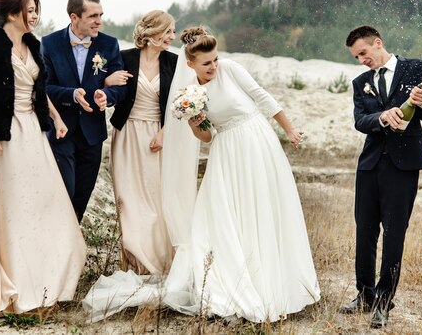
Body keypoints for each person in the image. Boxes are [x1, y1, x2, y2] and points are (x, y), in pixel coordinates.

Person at [83, 26, 320, 323]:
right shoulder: (189, 94)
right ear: (190, 64)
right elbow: (205, 138)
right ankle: (228, 282)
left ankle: (275, 280)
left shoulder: (231, 69)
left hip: (257, 141)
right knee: (222, 214)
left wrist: (289, 129)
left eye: (215, 60)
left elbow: (263, 98)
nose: (213, 67)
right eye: (206, 63)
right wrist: (196, 122)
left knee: (262, 205)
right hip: (226, 150)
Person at [0, 0, 86, 315]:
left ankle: (46, 280)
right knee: (13, 208)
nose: (35, 16)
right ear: (13, 13)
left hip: (33, 131)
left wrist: (56, 119)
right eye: (30, 10)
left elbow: (37, 89)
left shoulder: (33, 44)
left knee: (44, 204)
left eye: (36, 10)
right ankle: (14, 282)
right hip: (2, 137)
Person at [339, 25, 422, 328]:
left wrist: (420, 103)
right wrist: (381, 117)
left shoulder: (416, 68)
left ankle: (383, 302)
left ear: (377, 43)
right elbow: (359, 121)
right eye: (356, 57)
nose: (361, 61)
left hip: (403, 165)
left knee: (394, 233)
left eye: (363, 54)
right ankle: (364, 295)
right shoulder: (360, 82)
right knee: (365, 231)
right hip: (369, 165)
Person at [104, 10, 177, 275]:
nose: (172, 36)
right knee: (129, 200)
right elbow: (108, 90)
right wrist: (106, 81)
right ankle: (135, 264)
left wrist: (165, 132)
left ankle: (158, 263)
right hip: (126, 134)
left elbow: (180, 105)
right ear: (153, 33)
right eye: (168, 31)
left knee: (156, 200)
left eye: (172, 31)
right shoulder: (123, 58)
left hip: (157, 136)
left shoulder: (174, 63)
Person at [41, 0, 125, 222]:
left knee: (81, 197)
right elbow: (43, 87)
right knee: (64, 192)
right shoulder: (50, 44)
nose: (99, 21)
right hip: (61, 130)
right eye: (93, 16)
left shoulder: (109, 44)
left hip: (92, 133)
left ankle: (69, 246)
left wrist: (106, 96)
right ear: (74, 17)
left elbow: (120, 84)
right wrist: (71, 94)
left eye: (101, 15)